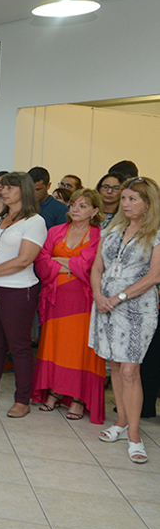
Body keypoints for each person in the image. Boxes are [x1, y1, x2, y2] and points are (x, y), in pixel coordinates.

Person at [91, 177, 160, 464]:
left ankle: (134, 435)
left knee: (131, 370)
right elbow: (97, 267)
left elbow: (154, 277)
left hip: (136, 308)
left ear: (148, 203)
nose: (127, 204)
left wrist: (118, 297)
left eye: (133, 199)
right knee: (116, 366)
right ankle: (119, 421)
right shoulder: (112, 228)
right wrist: (98, 295)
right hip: (105, 305)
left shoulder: (155, 233)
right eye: (125, 198)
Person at [0, 172, 47, 418]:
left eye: (10, 187)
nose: (4, 191)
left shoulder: (34, 221)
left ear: (23, 191)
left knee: (19, 346)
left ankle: (22, 400)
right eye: (3, 187)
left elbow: (23, 260)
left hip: (18, 289)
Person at [32, 189, 104, 422]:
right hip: (55, 299)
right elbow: (42, 262)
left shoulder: (98, 235)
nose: (75, 209)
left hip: (83, 301)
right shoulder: (55, 231)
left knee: (79, 349)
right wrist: (72, 264)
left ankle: (78, 398)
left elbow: (89, 266)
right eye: (73, 204)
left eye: (83, 206)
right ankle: (53, 391)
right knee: (55, 345)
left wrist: (60, 261)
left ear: (95, 211)